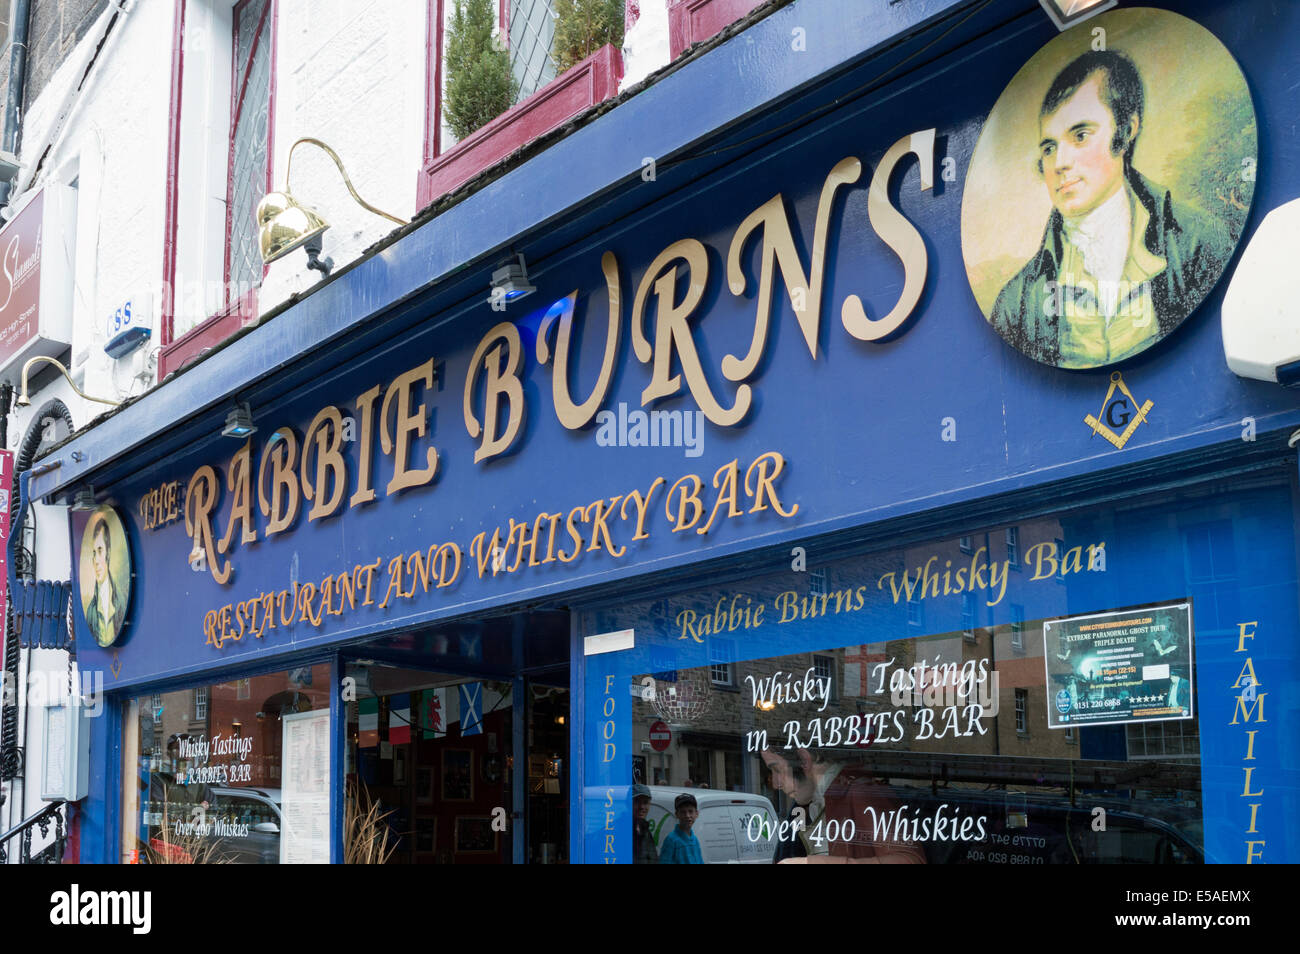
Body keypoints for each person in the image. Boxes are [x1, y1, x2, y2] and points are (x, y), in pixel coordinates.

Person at [991, 50, 1231, 369]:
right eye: (1049, 148)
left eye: (1080, 136)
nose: (1060, 163)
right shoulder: (1017, 301)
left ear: (1126, 130)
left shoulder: (1198, 241)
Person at [760, 747, 926, 864]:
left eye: (777, 770)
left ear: (804, 760)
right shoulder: (806, 805)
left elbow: (910, 860)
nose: (775, 784)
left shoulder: (861, 792)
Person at [85, 514, 126, 647]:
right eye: (93, 553)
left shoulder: (121, 599)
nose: (96, 561)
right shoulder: (91, 611)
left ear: (108, 552)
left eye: (100, 550)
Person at [658, 793, 703, 864]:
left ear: (696, 813)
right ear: (676, 814)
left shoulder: (695, 840)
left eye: (690, 811)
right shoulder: (671, 840)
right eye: (683, 812)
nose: (687, 815)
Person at [631, 784, 659, 864]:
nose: (642, 807)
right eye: (637, 802)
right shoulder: (619, 831)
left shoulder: (644, 829)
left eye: (645, 802)